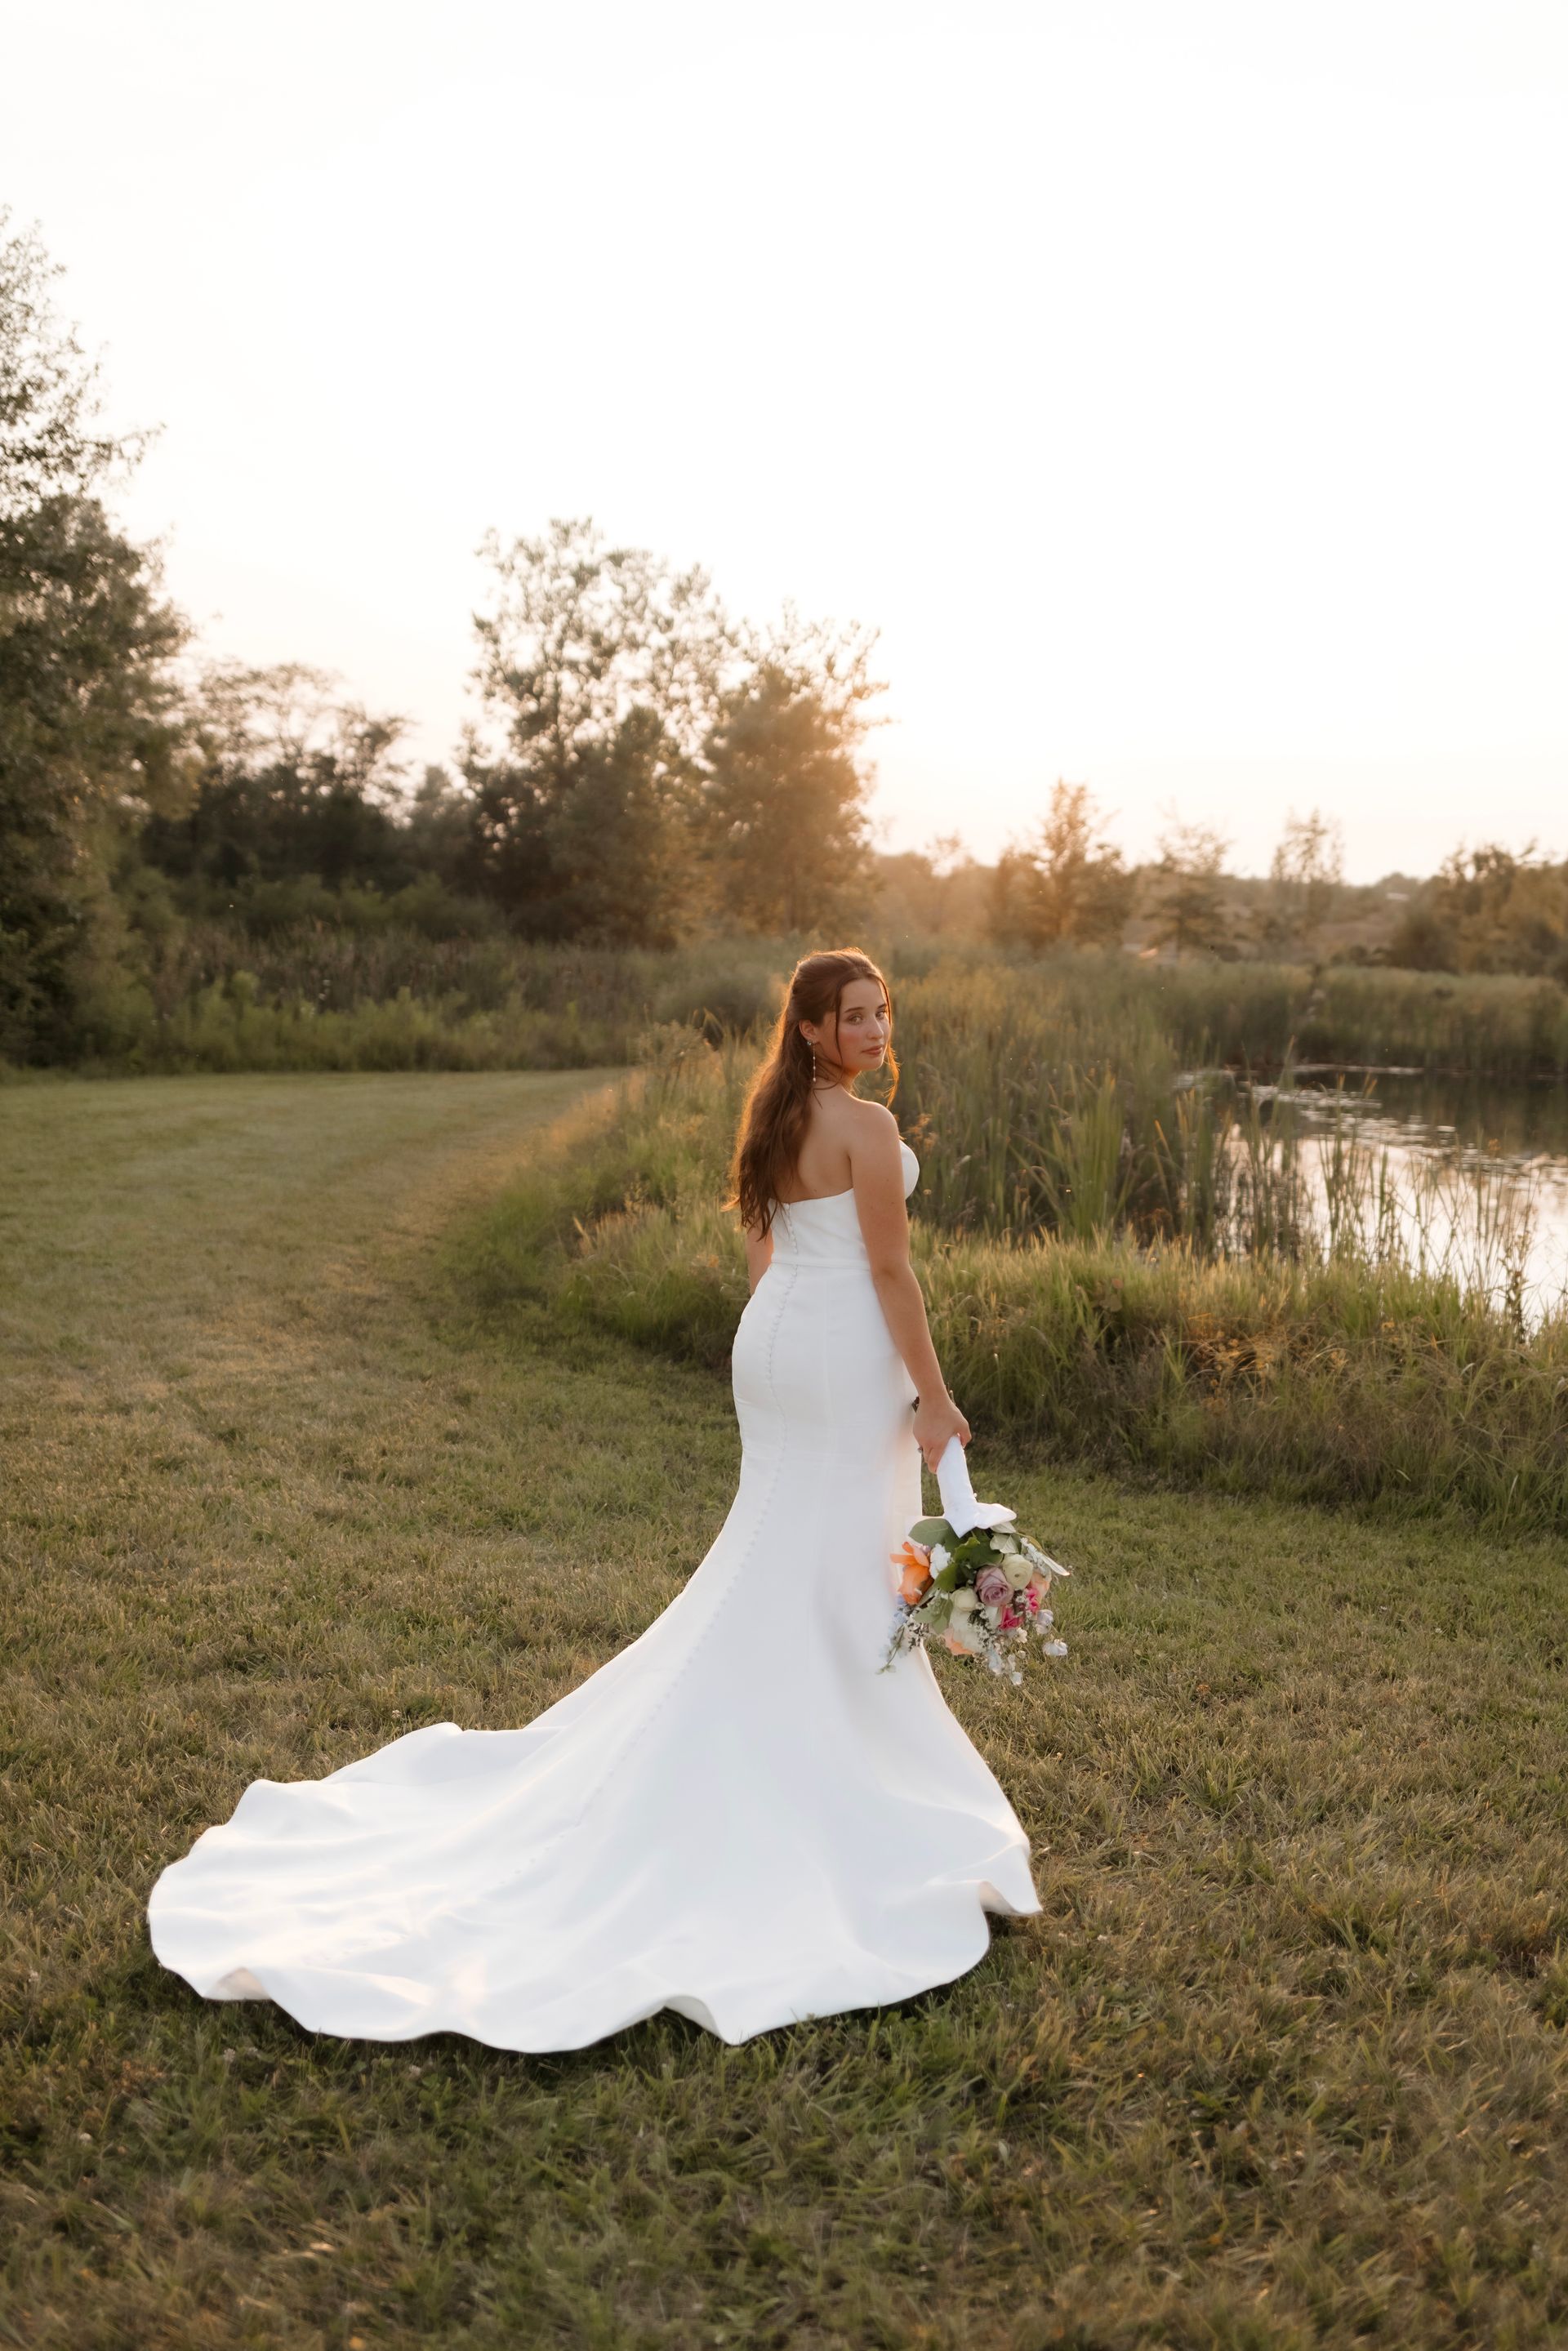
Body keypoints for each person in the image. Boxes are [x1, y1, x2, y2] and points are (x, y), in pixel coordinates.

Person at [148, 948, 1041, 2049]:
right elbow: (892, 1275)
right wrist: (935, 1399)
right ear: (811, 1027)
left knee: (792, 1553)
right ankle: (825, 1779)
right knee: (833, 1556)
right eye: (855, 1016)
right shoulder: (867, 1131)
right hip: (841, 1349)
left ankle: (802, 1734)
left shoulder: (771, 1114)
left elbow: (768, 1259)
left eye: (881, 1012)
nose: (875, 1030)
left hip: (776, 1345)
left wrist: (785, 1347)